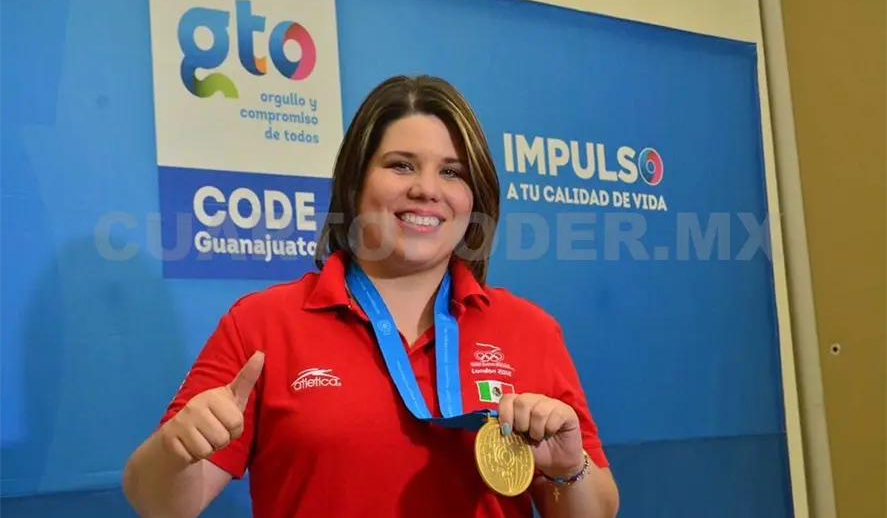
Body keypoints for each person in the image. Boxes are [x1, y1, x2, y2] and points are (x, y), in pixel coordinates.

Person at [122, 75, 619, 518]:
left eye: (452, 172)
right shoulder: (262, 323)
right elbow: (157, 503)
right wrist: (175, 450)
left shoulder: (530, 330)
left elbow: (596, 511)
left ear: (476, 198)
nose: (427, 189)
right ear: (355, 183)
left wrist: (567, 469)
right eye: (401, 165)